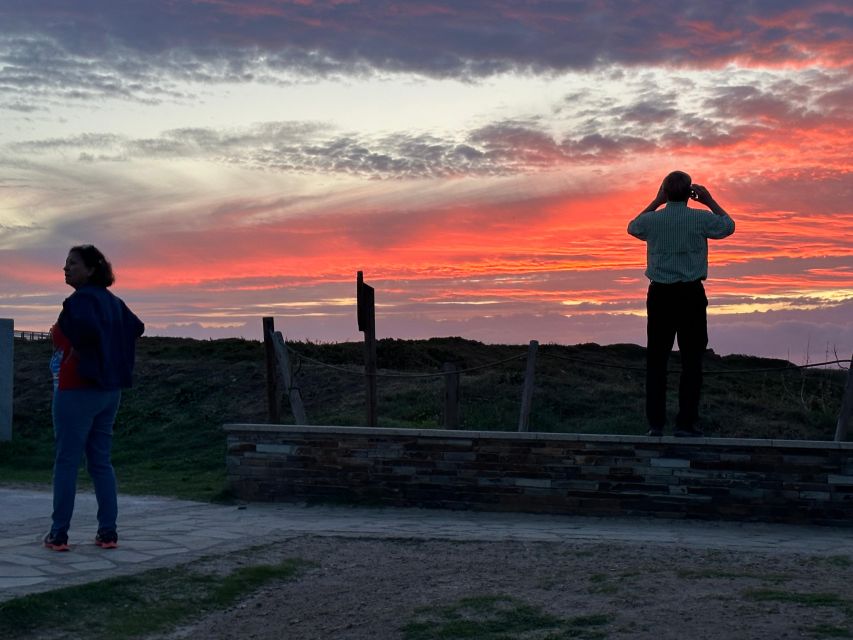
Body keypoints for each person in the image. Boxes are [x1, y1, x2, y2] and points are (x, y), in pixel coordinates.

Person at [43, 245, 144, 551]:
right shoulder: (114, 302)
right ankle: (107, 533)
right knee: (100, 462)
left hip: (76, 389)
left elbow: (79, 333)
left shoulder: (79, 301)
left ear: (91, 269)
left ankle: (59, 534)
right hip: (109, 392)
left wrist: (78, 349)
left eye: (72, 263)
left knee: (67, 462)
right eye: (65, 263)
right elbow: (136, 327)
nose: (66, 268)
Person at [627, 171, 735, 437]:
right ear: (690, 193)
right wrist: (709, 200)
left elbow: (633, 227)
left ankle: (655, 425)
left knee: (657, 361)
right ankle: (685, 424)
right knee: (692, 361)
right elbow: (728, 225)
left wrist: (655, 201)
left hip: (660, 296)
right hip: (691, 296)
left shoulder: (653, 221)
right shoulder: (700, 219)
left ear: (665, 191)